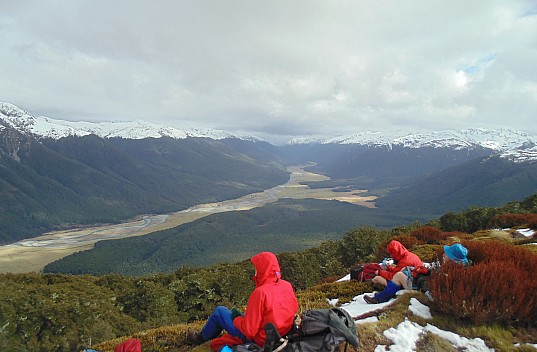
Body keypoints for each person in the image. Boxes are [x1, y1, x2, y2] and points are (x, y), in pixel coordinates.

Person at [186, 252, 299, 351]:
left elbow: (249, 331)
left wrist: (236, 318)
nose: (254, 272)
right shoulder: (286, 285)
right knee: (244, 314)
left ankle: (199, 338)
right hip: (281, 334)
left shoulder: (260, 293)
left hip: (261, 339)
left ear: (262, 270)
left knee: (219, 312)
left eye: (256, 269)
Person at [364, 243, 470, 304]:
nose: (443, 255)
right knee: (403, 272)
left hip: (423, 291)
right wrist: (427, 271)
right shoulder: (458, 268)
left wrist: (419, 276)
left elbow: (428, 287)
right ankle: (384, 295)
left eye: (447, 254)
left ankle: (380, 298)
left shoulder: (450, 272)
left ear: (452, 259)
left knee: (398, 276)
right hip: (423, 284)